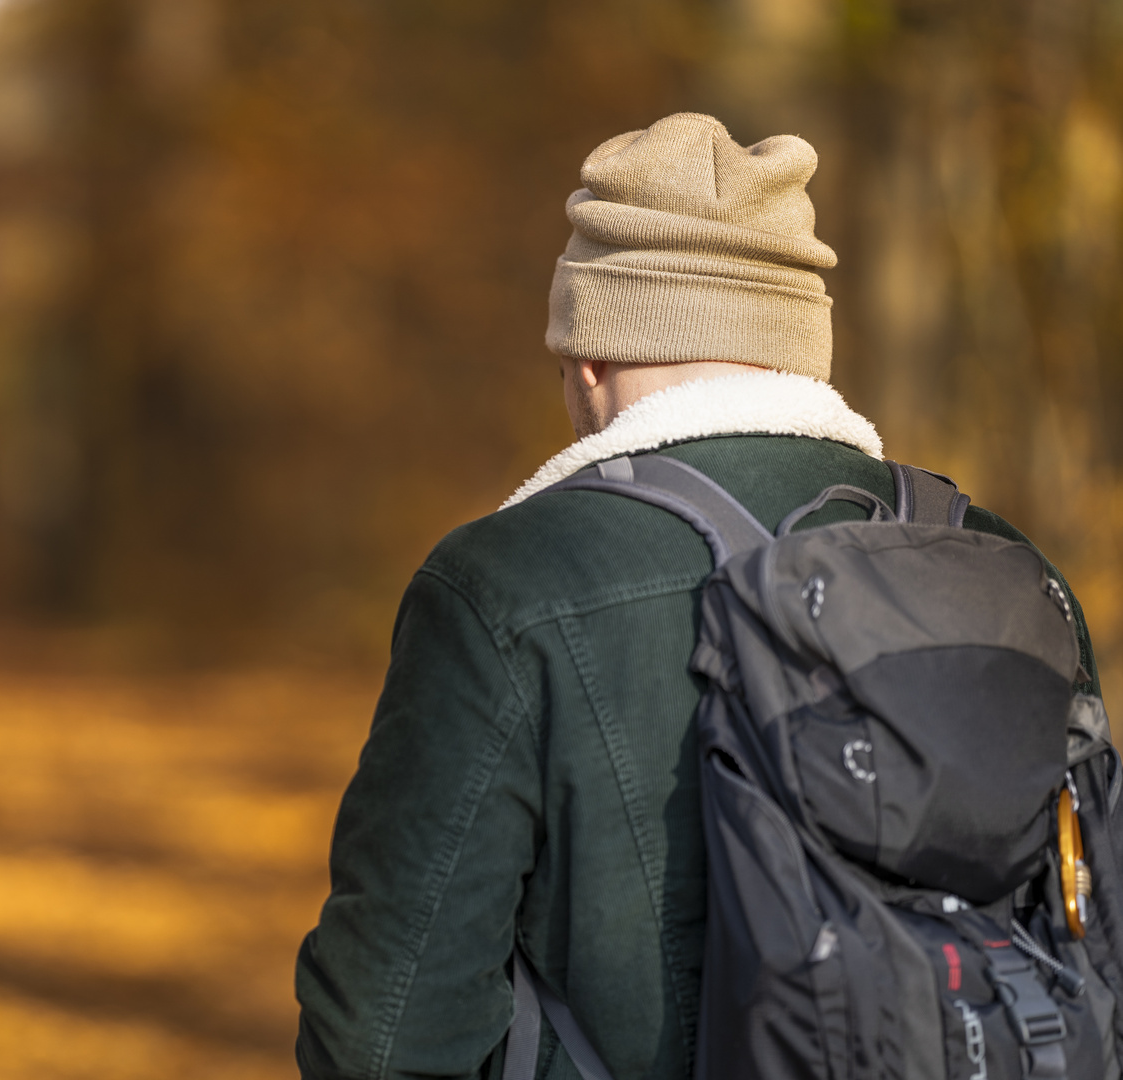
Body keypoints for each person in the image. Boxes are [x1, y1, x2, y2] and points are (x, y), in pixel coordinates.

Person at [292, 112, 1103, 1080]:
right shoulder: (1012, 573)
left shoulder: (506, 591)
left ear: (592, 353)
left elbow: (383, 1040)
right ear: (803, 343)